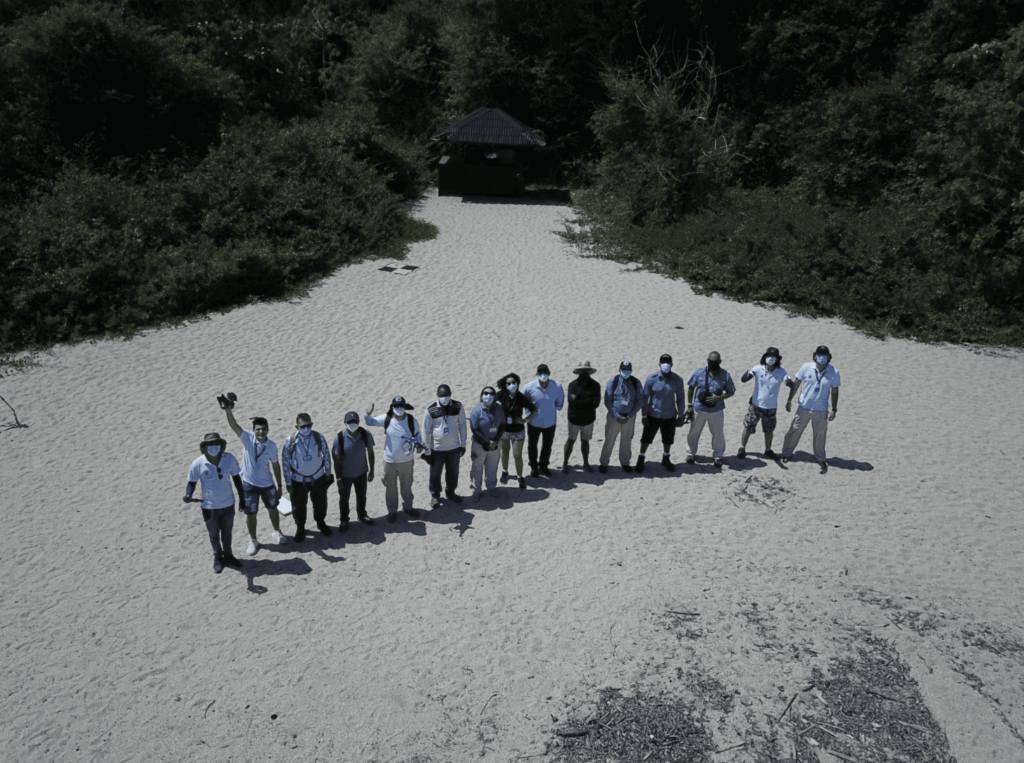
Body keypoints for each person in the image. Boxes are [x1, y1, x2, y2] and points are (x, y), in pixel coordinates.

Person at [223, 404, 287, 555]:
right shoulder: (247, 438)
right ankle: (253, 540)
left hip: (267, 484)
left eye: (263, 428)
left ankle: (277, 532)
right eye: (258, 429)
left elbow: (276, 465)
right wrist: (228, 411)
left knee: (273, 509)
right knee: (251, 514)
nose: (261, 431)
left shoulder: (271, 445)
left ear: (268, 430)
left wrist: (279, 485)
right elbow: (234, 426)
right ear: (253, 430)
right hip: (249, 485)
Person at [184, 433, 244, 573]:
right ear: (205, 447)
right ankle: (218, 557)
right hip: (209, 507)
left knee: (227, 533)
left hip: (228, 504)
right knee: (214, 535)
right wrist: (188, 494)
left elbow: (237, 480)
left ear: (221, 446)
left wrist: (242, 499)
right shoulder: (198, 463)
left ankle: (228, 555)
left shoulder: (229, 459)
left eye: (216, 444)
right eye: (210, 444)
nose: (213, 447)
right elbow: (191, 483)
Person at [781, 345, 841, 473]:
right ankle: (786, 453)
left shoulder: (834, 372)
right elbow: (796, 383)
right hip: (803, 407)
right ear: (815, 356)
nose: (821, 358)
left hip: (821, 410)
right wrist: (789, 400)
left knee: (820, 434)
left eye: (824, 356)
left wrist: (834, 409)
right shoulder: (806, 367)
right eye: (819, 355)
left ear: (829, 357)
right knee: (795, 430)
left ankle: (820, 457)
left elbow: (835, 391)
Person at [365, 396, 424, 522]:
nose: (399, 409)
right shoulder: (386, 418)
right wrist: (368, 413)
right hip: (390, 461)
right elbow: (369, 422)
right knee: (390, 486)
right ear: (392, 407)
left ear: (405, 407)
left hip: (407, 460)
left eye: (401, 406)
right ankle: (392, 510)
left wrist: (420, 446)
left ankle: (408, 507)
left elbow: (418, 435)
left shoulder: (411, 420)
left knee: (407, 485)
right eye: (396, 406)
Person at [281, 413, 334, 542]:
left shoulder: (318, 437)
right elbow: (285, 462)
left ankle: (321, 523)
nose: (306, 428)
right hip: (298, 480)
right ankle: (300, 528)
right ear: (296, 426)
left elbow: (326, 455)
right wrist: (288, 483)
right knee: (298, 506)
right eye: (303, 426)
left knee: (320, 503)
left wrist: (328, 474)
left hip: (318, 477)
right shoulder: (290, 440)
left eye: (309, 425)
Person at [737, 347, 792, 459]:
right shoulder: (758, 369)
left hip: (771, 407)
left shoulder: (781, 372)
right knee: (748, 426)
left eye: (773, 357)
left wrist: (790, 383)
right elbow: (745, 379)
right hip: (756, 405)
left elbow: (789, 382)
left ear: (777, 359)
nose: (770, 358)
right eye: (768, 356)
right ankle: (742, 448)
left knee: (769, 429)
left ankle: (768, 449)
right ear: (764, 357)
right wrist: (745, 376)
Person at [636, 354, 688, 473]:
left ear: (672, 365)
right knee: (646, 439)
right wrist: (644, 415)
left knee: (668, 439)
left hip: (670, 416)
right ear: (659, 364)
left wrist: (681, 416)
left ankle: (666, 458)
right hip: (653, 414)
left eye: (668, 362)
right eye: (663, 362)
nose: (665, 365)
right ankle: (641, 458)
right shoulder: (652, 378)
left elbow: (680, 398)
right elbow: (645, 398)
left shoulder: (677, 379)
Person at [685, 351, 737, 468]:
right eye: (710, 361)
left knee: (718, 433)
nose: (711, 363)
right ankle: (690, 453)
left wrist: (719, 397)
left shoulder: (725, 375)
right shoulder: (699, 372)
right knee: (694, 432)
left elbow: (731, 391)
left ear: (720, 362)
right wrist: (689, 405)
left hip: (716, 410)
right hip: (699, 409)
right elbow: (691, 388)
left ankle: (718, 456)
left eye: (714, 362)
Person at [422, 384, 467, 507]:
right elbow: (425, 431)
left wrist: (463, 444)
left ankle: (451, 492)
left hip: (454, 448)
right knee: (435, 474)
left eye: (447, 395)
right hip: (437, 449)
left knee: (453, 472)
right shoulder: (430, 410)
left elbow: (462, 425)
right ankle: (435, 495)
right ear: (437, 396)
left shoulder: (458, 406)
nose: (445, 398)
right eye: (442, 396)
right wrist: (427, 452)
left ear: (451, 395)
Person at [331, 411, 376, 531]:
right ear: (345, 423)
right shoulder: (339, 438)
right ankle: (344, 520)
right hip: (345, 476)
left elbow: (371, 453)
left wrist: (371, 471)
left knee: (362, 496)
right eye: (349, 422)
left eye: (354, 421)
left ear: (358, 422)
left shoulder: (366, 434)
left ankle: (362, 515)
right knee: (344, 499)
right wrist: (338, 478)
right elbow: (335, 461)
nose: (352, 424)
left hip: (361, 473)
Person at [495, 373, 537, 489]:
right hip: (504, 430)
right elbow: (489, 401)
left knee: (517, 455)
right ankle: (505, 472)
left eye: (514, 382)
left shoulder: (521, 397)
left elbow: (534, 410)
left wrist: (525, 420)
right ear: (505, 385)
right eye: (508, 383)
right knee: (505, 452)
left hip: (518, 430)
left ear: (518, 383)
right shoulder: (502, 395)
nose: (512, 385)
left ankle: (519, 477)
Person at [599, 361, 642, 473]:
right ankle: (604, 463)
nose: (626, 372)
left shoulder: (636, 383)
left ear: (631, 371)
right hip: (614, 417)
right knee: (609, 440)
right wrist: (617, 416)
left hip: (629, 418)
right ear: (619, 370)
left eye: (628, 370)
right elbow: (607, 401)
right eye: (624, 370)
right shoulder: (613, 381)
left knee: (626, 440)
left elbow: (639, 401)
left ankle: (625, 462)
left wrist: (629, 416)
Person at [522, 364, 564, 478]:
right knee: (532, 445)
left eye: (545, 372)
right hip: (533, 422)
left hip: (550, 422)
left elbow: (559, 404)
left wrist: (550, 408)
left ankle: (544, 466)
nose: (543, 375)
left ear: (549, 373)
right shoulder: (528, 387)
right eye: (541, 373)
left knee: (547, 445)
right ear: (537, 374)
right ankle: (534, 467)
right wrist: (528, 415)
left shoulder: (557, 386)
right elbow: (523, 402)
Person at [562, 361, 602, 473]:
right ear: (579, 371)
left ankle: (586, 463)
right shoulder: (572, 385)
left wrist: (578, 400)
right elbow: (571, 402)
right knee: (571, 440)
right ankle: (565, 463)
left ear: (589, 371)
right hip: (574, 419)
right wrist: (587, 401)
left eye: (586, 370)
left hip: (588, 420)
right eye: (582, 370)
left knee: (585, 441)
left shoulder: (595, 385)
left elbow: (596, 404)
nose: (584, 372)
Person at [469, 386, 506, 498]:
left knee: (492, 466)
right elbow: (474, 429)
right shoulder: (476, 411)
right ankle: (477, 490)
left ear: (494, 396)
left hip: (495, 444)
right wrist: (486, 442)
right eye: (485, 393)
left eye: (491, 393)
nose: (488, 396)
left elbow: (503, 424)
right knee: (477, 467)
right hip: (479, 445)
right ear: (481, 396)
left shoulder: (499, 408)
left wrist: (496, 440)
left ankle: (491, 487)